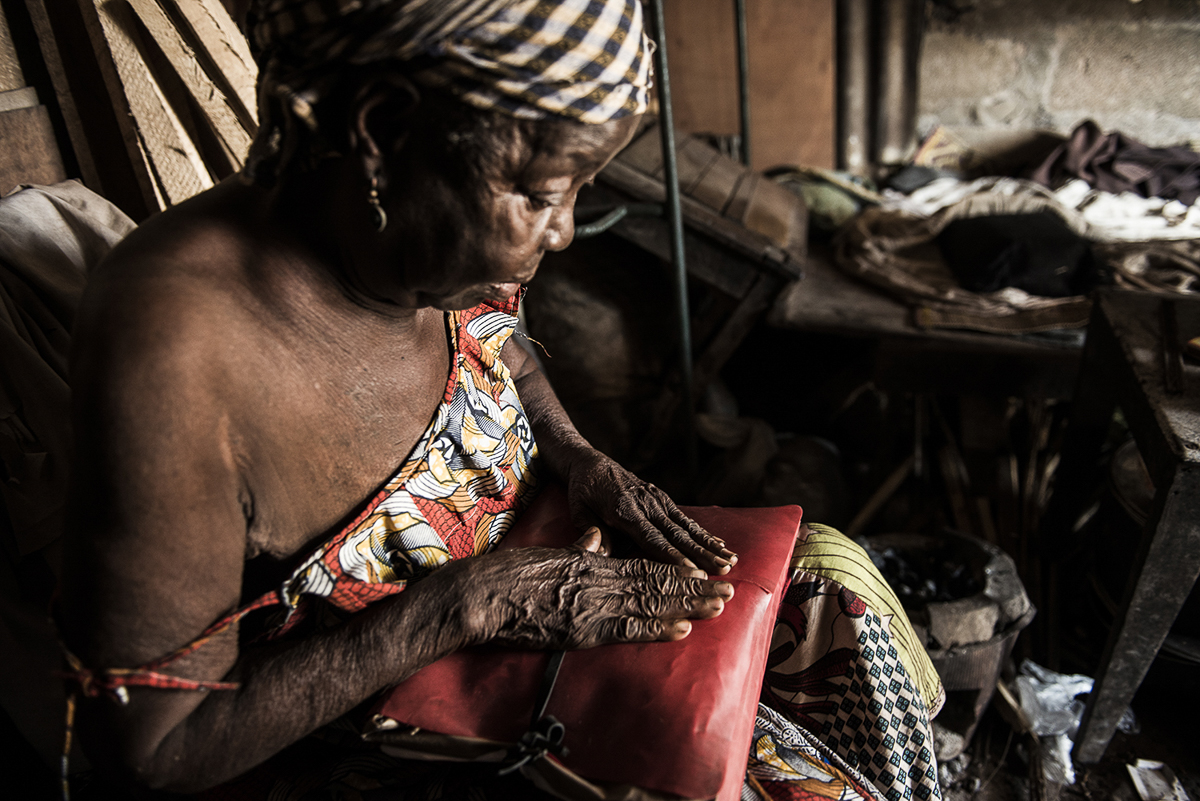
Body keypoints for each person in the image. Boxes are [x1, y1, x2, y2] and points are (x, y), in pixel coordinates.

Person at [58, 2, 943, 799]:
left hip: (528, 600)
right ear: (383, 129)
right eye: (544, 193)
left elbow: (503, 350)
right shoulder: (174, 345)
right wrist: (462, 604)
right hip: (377, 735)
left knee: (825, 580)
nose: (561, 231)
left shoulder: (424, 248)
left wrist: (579, 456)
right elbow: (152, 748)